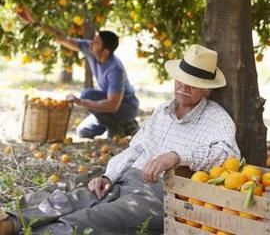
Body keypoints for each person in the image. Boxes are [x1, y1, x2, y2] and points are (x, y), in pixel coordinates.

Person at [0, 44, 240, 235]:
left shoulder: (217, 119)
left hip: (161, 195)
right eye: (181, 79)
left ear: (207, 89)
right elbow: (134, 150)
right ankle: (10, 224)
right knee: (74, 199)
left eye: (194, 84)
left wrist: (177, 157)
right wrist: (108, 176)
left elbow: (228, 156)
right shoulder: (162, 111)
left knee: (93, 219)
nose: (184, 87)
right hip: (126, 179)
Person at [17, 8, 139, 139]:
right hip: (110, 107)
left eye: (96, 42)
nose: (91, 43)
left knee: (88, 94)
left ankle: (120, 125)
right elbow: (63, 39)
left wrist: (81, 102)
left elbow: (112, 105)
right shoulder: (92, 50)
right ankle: (123, 125)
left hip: (125, 108)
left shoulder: (115, 70)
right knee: (83, 132)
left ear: (105, 52)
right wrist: (35, 23)